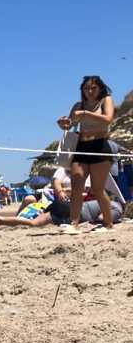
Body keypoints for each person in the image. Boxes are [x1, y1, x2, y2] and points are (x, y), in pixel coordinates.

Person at [57, 75, 116, 232]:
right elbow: (69, 125)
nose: (90, 91)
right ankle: (73, 223)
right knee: (77, 186)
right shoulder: (78, 105)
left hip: (100, 147)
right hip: (81, 147)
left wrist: (85, 114)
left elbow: (108, 119)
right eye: (86, 88)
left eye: (93, 88)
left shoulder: (106, 100)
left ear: (100, 88)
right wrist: (63, 123)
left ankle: (108, 224)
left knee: (97, 188)